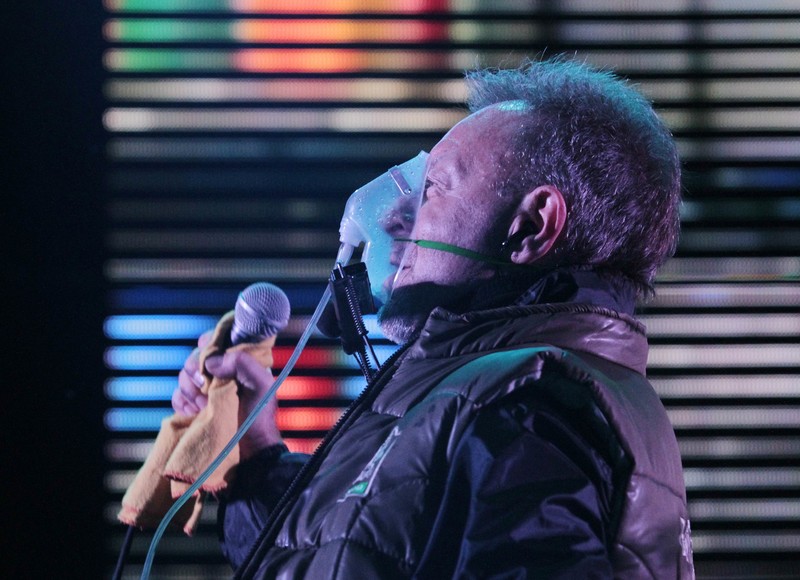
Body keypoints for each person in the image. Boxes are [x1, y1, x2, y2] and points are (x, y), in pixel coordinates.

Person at [174, 57, 694, 579]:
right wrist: (257, 456)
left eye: (436, 188)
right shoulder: (496, 392)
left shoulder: (529, 405)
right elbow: (354, 556)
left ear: (532, 226)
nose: (396, 216)